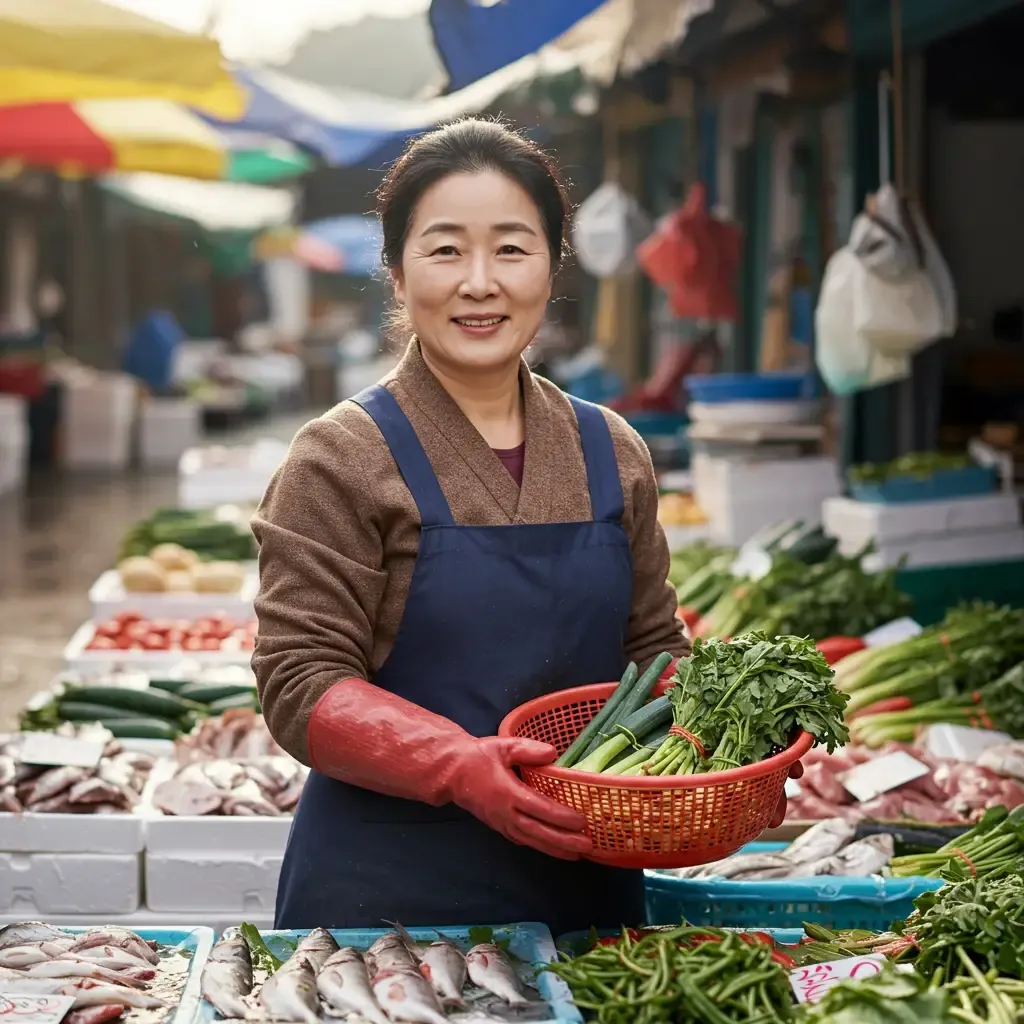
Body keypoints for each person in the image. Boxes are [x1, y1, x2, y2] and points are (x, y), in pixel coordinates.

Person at [252, 118, 792, 934]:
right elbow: (298, 682)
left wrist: (729, 749)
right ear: (397, 275)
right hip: (389, 902)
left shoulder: (613, 451)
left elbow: (653, 649)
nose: (480, 283)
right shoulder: (338, 457)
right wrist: (456, 765)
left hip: (586, 884)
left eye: (511, 248)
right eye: (444, 251)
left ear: (552, 266)